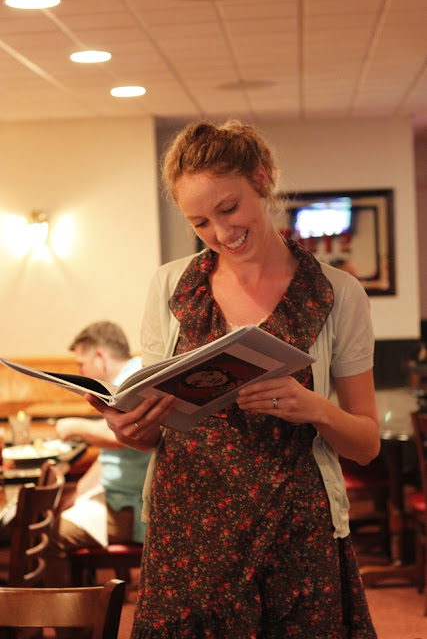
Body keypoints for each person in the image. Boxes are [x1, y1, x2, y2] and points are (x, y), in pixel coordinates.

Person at [86, 121, 380, 637]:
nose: (221, 233)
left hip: (297, 532)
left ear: (261, 179)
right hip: (188, 532)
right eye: (200, 222)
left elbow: (367, 443)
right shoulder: (170, 286)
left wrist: (314, 407)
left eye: (229, 208)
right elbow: (156, 424)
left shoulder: (337, 293)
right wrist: (133, 430)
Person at [45, 321, 152, 587]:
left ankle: (70, 614)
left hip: (132, 505)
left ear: (100, 356)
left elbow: (126, 435)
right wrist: (77, 492)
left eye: (81, 364)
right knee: (56, 514)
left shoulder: (133, 381)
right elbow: (108, 458)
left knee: (51, 536)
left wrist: (76, 427)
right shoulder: (118, 382)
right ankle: (84, 601)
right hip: (117, 496)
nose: (80, 372)